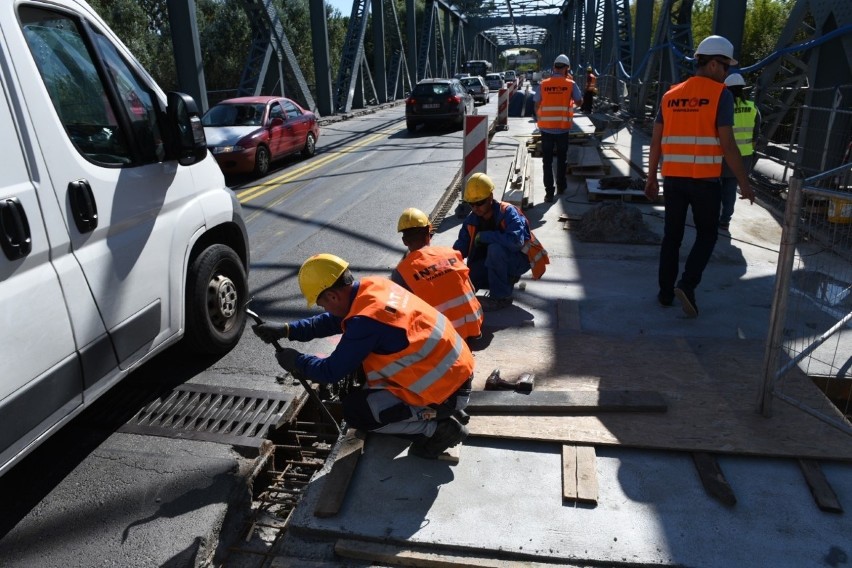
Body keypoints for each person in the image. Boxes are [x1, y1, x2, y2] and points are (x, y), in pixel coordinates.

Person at [252, 253, 474, 459]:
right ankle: (440, 410)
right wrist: (288, 330)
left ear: (332, 295)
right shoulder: (374, 287)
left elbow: (330, 372)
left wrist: (297, 361)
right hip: (455, 372)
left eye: (323, 305)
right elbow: (333, 320)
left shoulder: (366, 322)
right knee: (362, 381)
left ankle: (437, 429)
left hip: (444, 391)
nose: (325, 310)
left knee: (356, 412)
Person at [644, 35, 755, 318]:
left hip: (674, 179)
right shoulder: (721, 95)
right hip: (705, 180)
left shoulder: (670, 95)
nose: (728, 72)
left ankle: (665, 293)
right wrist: (744, 183)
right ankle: (688, 283)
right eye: (727, 66)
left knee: (672, 237)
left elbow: (655, 141)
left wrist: (651, 178)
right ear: (715, 65)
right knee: (707, 234)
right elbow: (728, 145)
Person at [453, 173, 549, 311]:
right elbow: (459, 249)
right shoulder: (471, 220)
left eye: (480, 202)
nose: (475, 208)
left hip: (519, 261)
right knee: (469, 279)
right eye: (471, 204)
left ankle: (501, 297)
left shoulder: (508, 212)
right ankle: (502, 280)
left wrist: (485, 236)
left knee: (495, 249)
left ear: (490, 198)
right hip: (492, 261)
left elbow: (516, 241)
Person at [390, 207, 484, 341]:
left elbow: (398, 313)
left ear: (405, 241)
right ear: (429, 234)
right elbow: (472, 289)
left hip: (443, 340)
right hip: (474, 327)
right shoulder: (452, 253)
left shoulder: (401, 273)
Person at [534, 54, 583, 202]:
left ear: (554, 67)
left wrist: (541, 117)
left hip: (546, 129)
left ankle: (549, 192)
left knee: (547, 161)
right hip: (562, 129)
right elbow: (580, 102)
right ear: (566, 68)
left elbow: (536, 103)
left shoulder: (543, 84)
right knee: (562, 159)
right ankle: (561, 186)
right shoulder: (570, 84)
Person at [719, 72, 760, 231]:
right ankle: (725, 220)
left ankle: (711, 217)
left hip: (722, 155)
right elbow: (755, 136)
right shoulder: (752, 108)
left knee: (714, 188)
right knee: (730, 189)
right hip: (743, 157)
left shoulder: (722, 106)